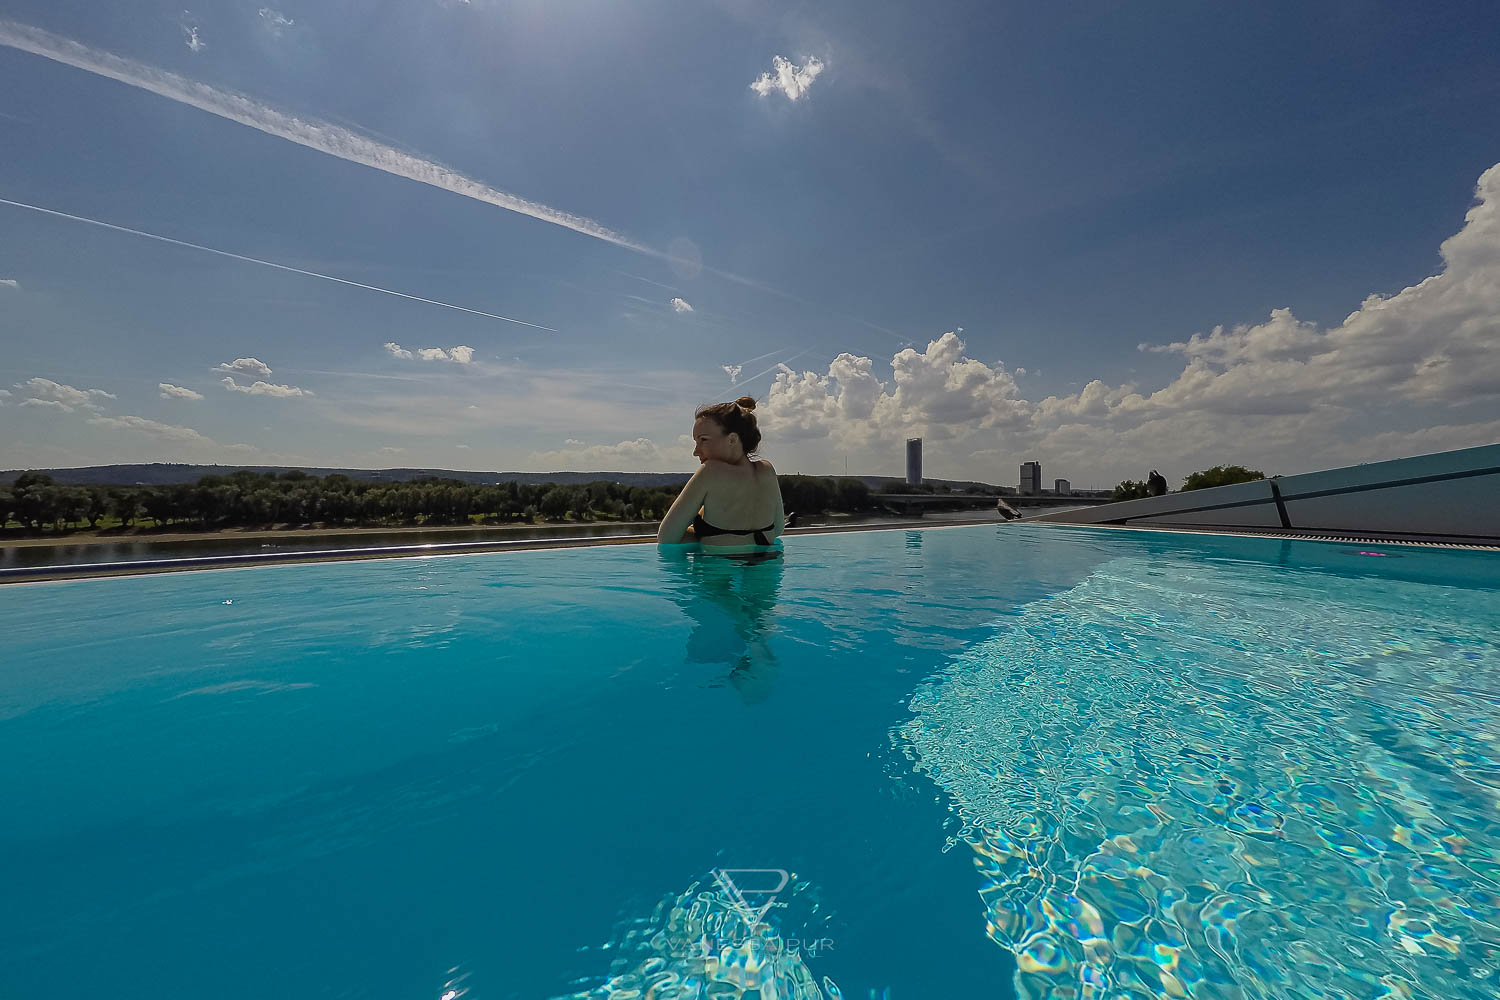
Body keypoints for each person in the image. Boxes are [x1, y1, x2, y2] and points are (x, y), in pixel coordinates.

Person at [657, 396, 786, 555]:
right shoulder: (767, 470)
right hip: (767, 564)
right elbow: (778, 529)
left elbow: (667, 538)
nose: (695, 451)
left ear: (732, 439)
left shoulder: (710, 471)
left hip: (719, 568)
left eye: (703, 440)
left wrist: (704, 535)